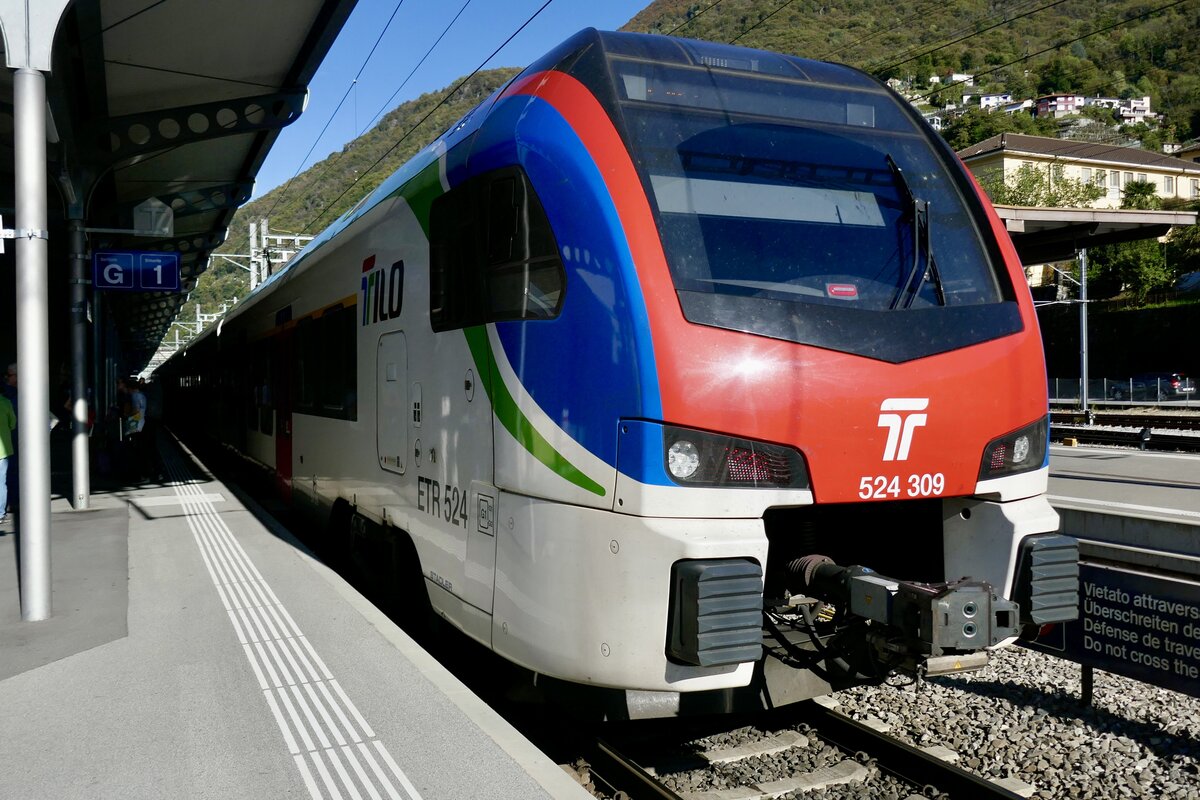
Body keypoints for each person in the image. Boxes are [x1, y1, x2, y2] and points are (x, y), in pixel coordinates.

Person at [0, 389, 14, 524]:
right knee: (1, 483)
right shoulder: (6, 403)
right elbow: (13, 424)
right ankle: (0, 514)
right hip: (2, 450)